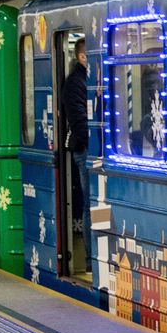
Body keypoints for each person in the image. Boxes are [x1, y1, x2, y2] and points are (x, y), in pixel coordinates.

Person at [60, 38, 91, 220]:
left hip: (90, 149)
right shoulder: (75, 84)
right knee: (90, 204)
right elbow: (79, 122)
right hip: (85, 150)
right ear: (81, 56)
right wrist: (94, 144)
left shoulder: (87, 80)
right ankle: (88, 248)